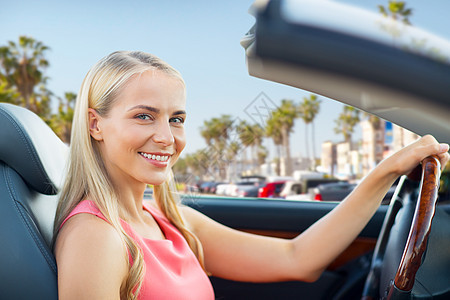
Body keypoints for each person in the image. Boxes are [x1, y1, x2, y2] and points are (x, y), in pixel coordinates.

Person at [53, 50, 449, 300]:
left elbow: (297, 258)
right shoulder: (96, 236)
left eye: (176, 119)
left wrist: (386, 172)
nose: (166, 137)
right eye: (144, 116)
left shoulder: (172, 220)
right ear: (95, 124)